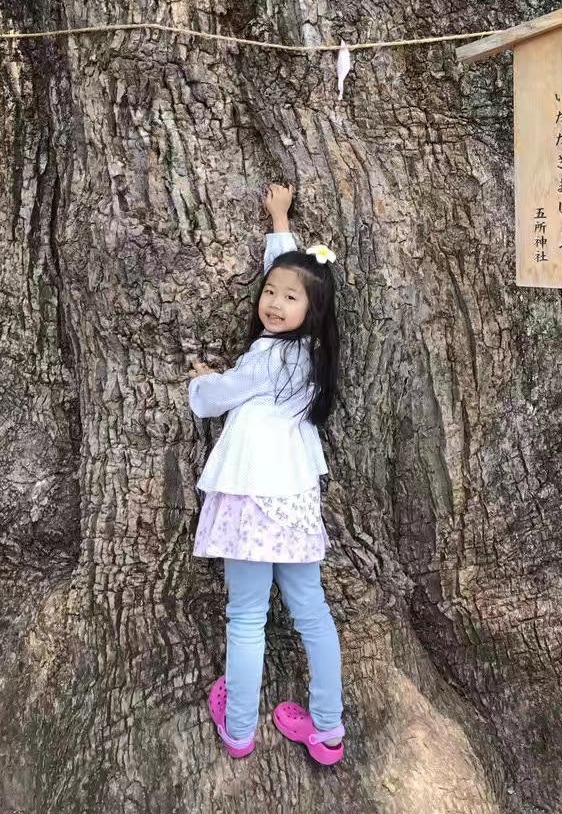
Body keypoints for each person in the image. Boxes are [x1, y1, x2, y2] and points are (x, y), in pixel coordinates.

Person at [189, 184, 345, 765]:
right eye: (269, 294)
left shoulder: (265, 358)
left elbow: (218, 397)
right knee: (311, 611)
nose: (275, 303)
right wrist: (281, 222)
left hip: (250, 497)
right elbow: (289, 276)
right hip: (294, 501)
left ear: (313, 309)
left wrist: (198, 385)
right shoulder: (310, 355)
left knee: (247, 615)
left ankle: (238, 729)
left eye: (289, 299)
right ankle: (328, 729)